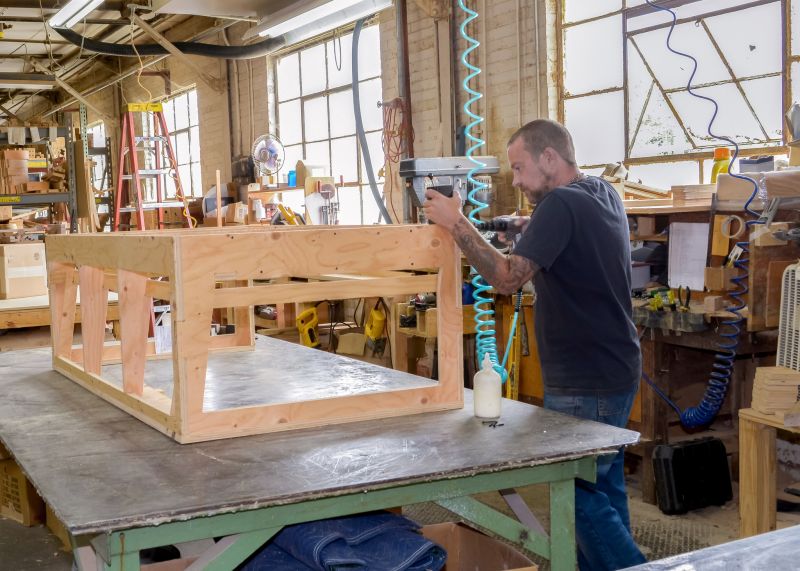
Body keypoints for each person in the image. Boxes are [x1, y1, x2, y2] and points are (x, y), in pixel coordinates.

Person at [423, 119, 647, 571]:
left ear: (549, 158)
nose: (517, 181)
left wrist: (456, 222)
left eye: (520, 168)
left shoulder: (559, 205)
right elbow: (571, 239)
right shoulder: (601, 192)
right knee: (602, 488)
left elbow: (507, 279)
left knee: (578, 498)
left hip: (585, 378)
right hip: (617, 367)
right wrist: (530, 229)